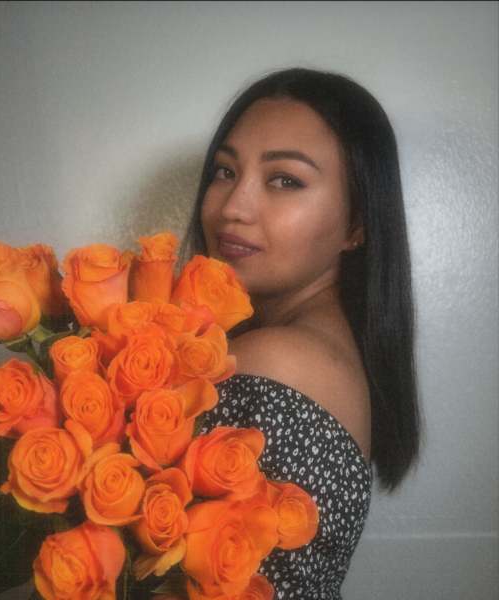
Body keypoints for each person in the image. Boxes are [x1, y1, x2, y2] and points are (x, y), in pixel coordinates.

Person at [177, 67, 422, 599]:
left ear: (357, 224)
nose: (233, 207)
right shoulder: (320, 347)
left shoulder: (277, 359)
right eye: (225, 171)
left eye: (285, 180)